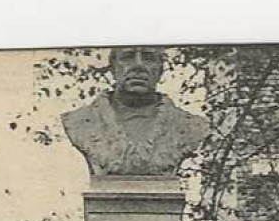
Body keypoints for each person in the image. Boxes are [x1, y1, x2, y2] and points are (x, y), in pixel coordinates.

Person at [61, 46, 211, 177]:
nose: (138, 65)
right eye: (127, 57)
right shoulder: (80, 122)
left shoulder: (190, 126)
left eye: (149, 58)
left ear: (160, 70)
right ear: (113, 69)